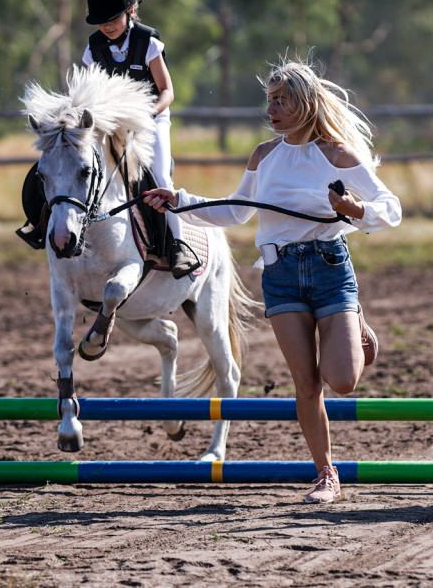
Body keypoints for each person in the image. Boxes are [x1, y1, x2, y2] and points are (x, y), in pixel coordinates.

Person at [144, 57, 402, 503]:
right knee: (306, 383)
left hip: (329, 269)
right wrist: (180, 201)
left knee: (341, 381)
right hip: (279, 275)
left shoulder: (337, 154)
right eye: (270, 101)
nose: (271, 111)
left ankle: (355, 322)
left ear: (304, 103)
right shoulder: (264, 156)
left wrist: (355, 211)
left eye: (281, 101)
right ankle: (326, 474)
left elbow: (391, 207)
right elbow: (237, 211)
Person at [82, 0, 198, 279]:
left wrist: (148, 114)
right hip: (113, 122)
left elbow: (168, 92)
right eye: (101, 20)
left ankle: (179, 244)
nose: (106, 26)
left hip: (152, 119)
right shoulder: (94, 47)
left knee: (159, 175)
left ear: (130, 11)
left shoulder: (148, 42)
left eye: (112, 18)